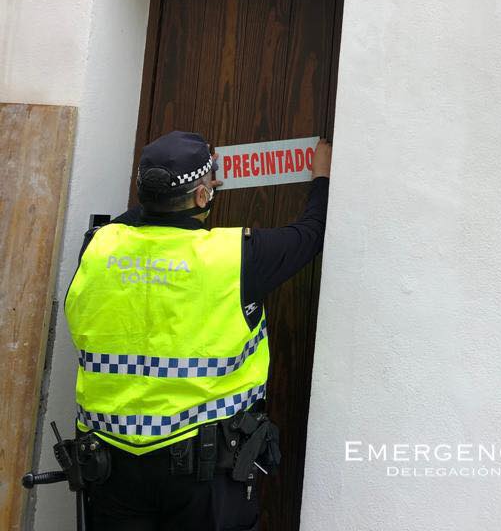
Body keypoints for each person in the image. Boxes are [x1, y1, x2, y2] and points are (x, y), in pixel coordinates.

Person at [64, 130, 332, 530]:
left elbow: (143, 215)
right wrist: (323, 176)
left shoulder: (99, 247)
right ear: (204, 196)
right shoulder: (236, 257)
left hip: (109, 469)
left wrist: (180, 185)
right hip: (203, 478)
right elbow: (311, 234)